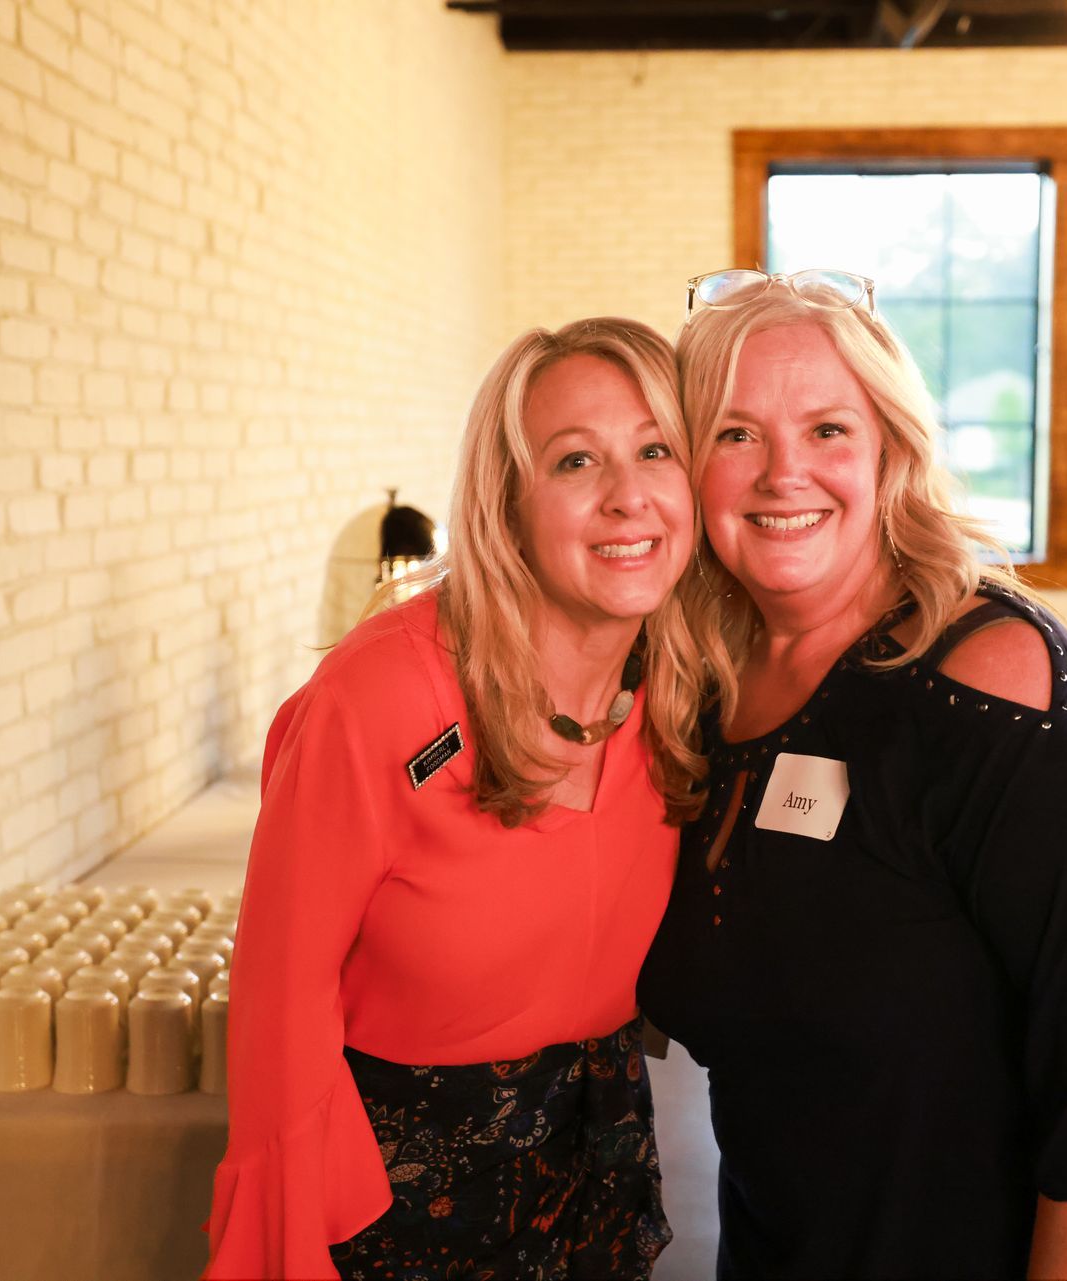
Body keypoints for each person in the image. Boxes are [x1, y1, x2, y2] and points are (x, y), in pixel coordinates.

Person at [638, 270, 1067, 1280]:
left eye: (827, 430)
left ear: (891, 448)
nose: (781, 474)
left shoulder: (999, 689)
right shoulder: (705, 691)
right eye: (734, 434)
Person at [204, 317, 705, 1280]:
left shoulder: (681, 686)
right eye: (574, 461)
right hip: (401, 1191)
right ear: (506, 500)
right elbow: (279, 999)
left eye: (655, 451)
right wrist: (297, 1242)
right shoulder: (383, 691)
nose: (628, 495)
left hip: (599, 1165)